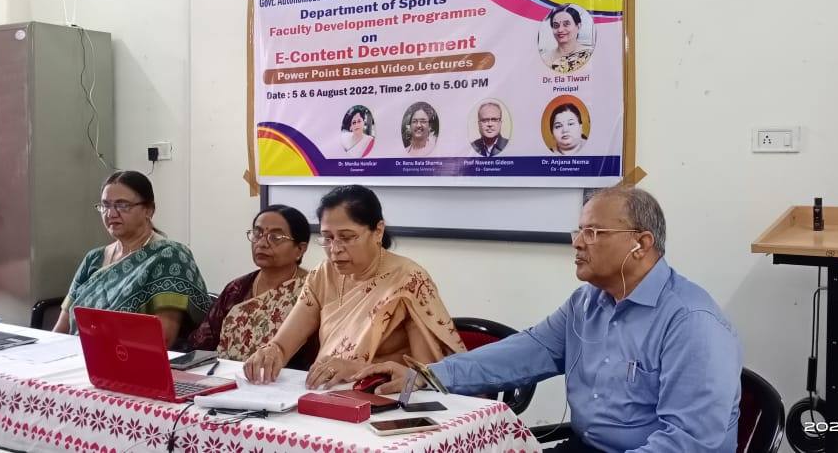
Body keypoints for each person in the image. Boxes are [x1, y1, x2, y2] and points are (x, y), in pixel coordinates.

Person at [355, 184, 743, 453]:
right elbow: (525, 352)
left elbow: (689, 442)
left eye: (593, 232)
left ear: (640, 244)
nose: (577, 242)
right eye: (579, 230)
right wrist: (427, 375)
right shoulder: (587, 303)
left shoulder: (691, 323)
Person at [243, 184, 466, 389]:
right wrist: (272, 351)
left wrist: (358, 369)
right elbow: (285, 342)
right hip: (326, 392)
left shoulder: (408, 281)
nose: (335, 249)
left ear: (378, 231)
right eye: (327, 238)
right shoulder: (323, 274)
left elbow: (426, 374)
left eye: (347, 237)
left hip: (382, 395)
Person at [53, 170, 211, 349]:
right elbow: (62, 328)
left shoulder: (169, 256)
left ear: (149, 210)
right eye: (105, 205)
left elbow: (163, 338)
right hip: (77, 356)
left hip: (133, 359)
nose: (111, 214)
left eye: (122, 205)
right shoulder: (93, 259)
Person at [186, 205, 318, 368]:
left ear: (300, 249)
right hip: (223, 376)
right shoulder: (236, 289)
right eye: (257, 234)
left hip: (284, 379)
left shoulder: (313, 291)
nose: (262, 243)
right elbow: (201, 344)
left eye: (276, 237)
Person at [542, 4, 594, 73]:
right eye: (556, 25)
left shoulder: (590, 54)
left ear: (578, 27)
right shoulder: (545, 58)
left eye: (566, 24)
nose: (560, 30)